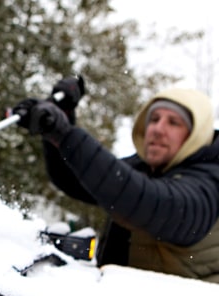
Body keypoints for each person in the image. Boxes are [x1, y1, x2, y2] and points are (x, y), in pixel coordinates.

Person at [13, 77, 219, 282]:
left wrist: (67, 135)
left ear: (196, 134)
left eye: (174, 122)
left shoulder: (210, 178)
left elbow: (151, 204)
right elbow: (77, 179)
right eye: (154, 119)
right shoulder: (144, 168)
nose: (158, 128)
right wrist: (58, 121)